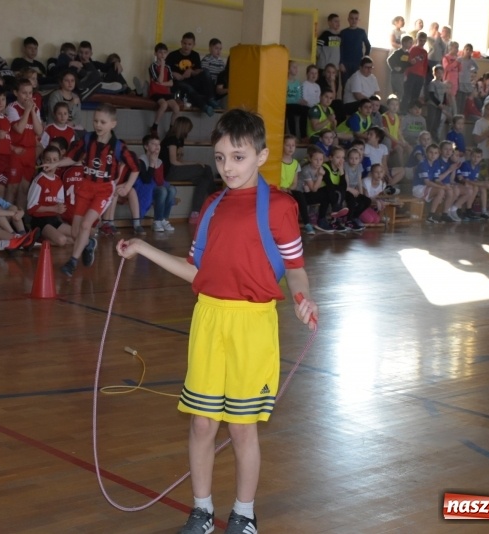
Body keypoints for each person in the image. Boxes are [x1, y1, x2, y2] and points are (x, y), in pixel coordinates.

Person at [115, 110, 317, 534]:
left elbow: (295, 267)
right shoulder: (210, 206)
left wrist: (303, 297)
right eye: (221, 157)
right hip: (208, 319)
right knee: (202, 422)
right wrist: (143, 248)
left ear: (261, 156)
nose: (227, 167)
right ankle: (202, 510)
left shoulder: (280, 207)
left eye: (238, 158)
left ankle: (244, 514)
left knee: (242, 429)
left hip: (253, 326)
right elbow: (196, 271)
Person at [47, 103, 139, 275]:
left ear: (113, 123)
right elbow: (72, 157)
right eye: (96, 121)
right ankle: (89, 244)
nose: (98, 125)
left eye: (102, 122)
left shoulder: (118, 147)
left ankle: (72, 262)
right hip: (85, 186)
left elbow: (135, 168)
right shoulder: (87, 139)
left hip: (103, 190)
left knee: (86, 225)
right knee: (76, 232)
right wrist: (56, 163)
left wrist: (127, 186)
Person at [160, 116, 215, 224]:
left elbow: (180, 160)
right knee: (206, 168)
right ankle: (217, 198)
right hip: (170, 172)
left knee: (204, 180)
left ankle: (195, 212)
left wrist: (193, 163)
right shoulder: (171, 140)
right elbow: (174, 162)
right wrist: (195, 163)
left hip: (175, 169)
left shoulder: (179, 140)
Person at [6, 77, 44, 209]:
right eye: (24, 93)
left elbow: (39, 131)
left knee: (24, 189)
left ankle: (19, 220)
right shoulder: (12, 108)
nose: (28, 96)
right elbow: (19, 129)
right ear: (16, 93)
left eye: (30, 93)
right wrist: (27, 110)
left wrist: (32, 111)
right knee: (12, 188)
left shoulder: (36, 109)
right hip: (16, 152)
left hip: (30, 152)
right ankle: (7, 220)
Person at [26, 146, 72, 246]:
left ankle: (49, 237)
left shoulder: (58, 181)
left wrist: (61, 209)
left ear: (59, 162)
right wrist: (54, 208)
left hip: (54, 219)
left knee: (76, 236)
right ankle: (36, 238)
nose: (51, 162)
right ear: (43, 161)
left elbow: (59, 205)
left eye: (55, 160)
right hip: (40, 221)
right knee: (62, 240)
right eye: (48, 159)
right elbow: (30, 208)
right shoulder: (39, 181)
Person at [166, 32, 218, 116]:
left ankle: (211, 99)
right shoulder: (173, 55)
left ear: (193, 45)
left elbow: (198, 71)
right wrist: (173, 74)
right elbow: (165, 70)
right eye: (185, 43)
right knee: (188, 88)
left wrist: (191, 71)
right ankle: (204, 106)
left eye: (189, 44)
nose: (186, 46)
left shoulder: (195, 55)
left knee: (206, 72)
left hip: (191, 81)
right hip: (177, 83)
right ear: (181, 42)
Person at [138, 134, 176, 232]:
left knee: (172, 189)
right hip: (144, 187)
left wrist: (155, 163)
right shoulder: (141, 160)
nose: (157, 146)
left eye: (158, 144)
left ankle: (163, 219)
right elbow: (145, 180)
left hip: (155, 186)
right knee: (162, 190)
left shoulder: (159, 161)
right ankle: (157, 221)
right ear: (146, 146)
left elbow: (159, 181)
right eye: (153, 144)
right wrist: (151, 164)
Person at [148, 42, 181, 137]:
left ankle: (171, 129)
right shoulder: (153, 66)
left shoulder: (168, 67)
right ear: (155, 54)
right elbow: (159, 79)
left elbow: (171, 83)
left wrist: (161, 83)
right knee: (164, 104)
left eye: (164, 52)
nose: (162, 55)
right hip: (155, 92)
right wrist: (162, 66)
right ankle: (154, 127)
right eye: (160, 52)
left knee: (176, 108)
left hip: (165, 92)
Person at [412, 143, 447, 223]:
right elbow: (427, 182)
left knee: (445, 190)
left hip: (428, 188)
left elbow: (437, 180)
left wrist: (444, 186)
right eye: (431, 152)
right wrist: (442, 187)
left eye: (435, 153)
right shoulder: (423, 164)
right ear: (426, 153)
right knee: (440, 191)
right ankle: (431, 216)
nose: (433, 155)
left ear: (438, 154)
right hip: (418, 188)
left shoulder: (435, 164)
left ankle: (436, 214)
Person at [456, 147, 489, 219]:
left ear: (481, 158)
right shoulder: (466, 164)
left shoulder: (477, 166)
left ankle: (484, 211)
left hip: (469, 183)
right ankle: (468, 209)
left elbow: (474, 180)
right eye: (474, 156)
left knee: (483, 188)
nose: (475, 159)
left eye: (478, 157)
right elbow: (465, 180)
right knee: (475, 187)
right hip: (461, 183)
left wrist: (483, 184)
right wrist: (482, 183)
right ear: (470, 156)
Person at [339, 9, 371, 84]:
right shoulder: (343, 32)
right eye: (352, 18)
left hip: (358, 64)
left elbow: (368, 46)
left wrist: (365, 59)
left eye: (356, 18)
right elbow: (340, 48)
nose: (354, 20)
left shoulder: (361, 32)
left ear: (358, 20)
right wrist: (341, 63)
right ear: (348, 19)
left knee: (356, 85)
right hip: (345, 64)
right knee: (345, 85)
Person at [341, 147, 368, 230]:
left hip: (354, 189)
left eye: (356, 158)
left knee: (366, 200)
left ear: (359, 159)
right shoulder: (345, 166)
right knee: (352, 200)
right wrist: (352, 191)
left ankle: (354, 217)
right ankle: (348, 220)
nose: (354, 160)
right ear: (348, 159)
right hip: (345, 189)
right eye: (351, 158)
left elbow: (359, 181)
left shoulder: (359, 166)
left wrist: (360, 194)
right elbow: (346, 183)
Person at [402, 32, 428, 114]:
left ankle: (412, 111)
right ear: (417, 39)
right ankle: (403, 111)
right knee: (407, 94)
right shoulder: (413, 49)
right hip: (411, 74)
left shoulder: (425, 52)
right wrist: (406, 74)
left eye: (424, 41)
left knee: (415, 95)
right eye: (420, 40)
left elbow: (425, 65)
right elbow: (408, 62)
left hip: (420, 76)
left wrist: (424, 76)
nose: (422, 42)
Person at [285, 60, 309, 139]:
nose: (296, 69)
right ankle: (293, 135)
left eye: (296, 67)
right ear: (288, 69)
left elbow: (298, 96)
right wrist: (296, 101)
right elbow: (284, 98)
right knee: (291, 110)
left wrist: (301, 101)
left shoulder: (297, 83)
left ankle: (303, 135)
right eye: (294, 67)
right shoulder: (284, 82)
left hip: (294, 105)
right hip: (287, 105)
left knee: (305, 110)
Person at [427, 65, 451, 141]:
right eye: (438, 73)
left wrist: (443, 103)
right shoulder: (432, 83)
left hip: (439, 107)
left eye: (441, 73)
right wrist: (438, 104)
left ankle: (434, 137)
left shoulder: (443, 84)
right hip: (433, 105)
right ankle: (428, 137)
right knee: (431, 122)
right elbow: (431, 95)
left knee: (437, 123)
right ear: (434, 73)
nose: (439, 75)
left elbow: (444, 95)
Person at [387, 35, 413, 102]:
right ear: (404, 43)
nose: (411, 44)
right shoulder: (398, 52)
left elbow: (405, 64)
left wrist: (411, 63)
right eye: (410, 42)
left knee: (400, 92)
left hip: (401, 75)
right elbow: (389, 60)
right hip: (396, 74)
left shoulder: (407, 53)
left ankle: (396, 105)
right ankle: (395, 105)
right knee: (399, 91)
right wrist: (394, 67)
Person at [457, 44, 478, 115]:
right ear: (464, 50)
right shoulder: (459, 59)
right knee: (458, 100)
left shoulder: (472, 61)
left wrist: (471, 70)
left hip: (466, 81)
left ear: (472, 52)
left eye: (470, 50)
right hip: (459, 81)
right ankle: (457, 115)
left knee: (463, 100)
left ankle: (461, 115)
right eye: (467, 49)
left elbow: (476, 68)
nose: (468, 51)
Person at [442, 41, 461, 115]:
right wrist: (455, 62)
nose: (457, 49)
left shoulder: (457, 58)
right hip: (448, 81)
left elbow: (460, 69)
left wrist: (459, 63)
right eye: (455, 47)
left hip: (455, 81)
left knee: (452, 99)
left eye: (458, 47)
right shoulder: (446, 57)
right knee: (449, 99)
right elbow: (447, 68)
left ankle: (451, 116)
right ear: (450, 48)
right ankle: (453, 115)